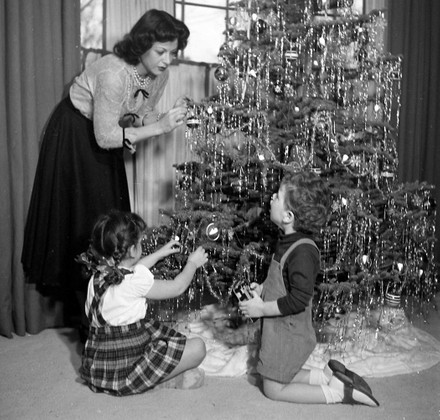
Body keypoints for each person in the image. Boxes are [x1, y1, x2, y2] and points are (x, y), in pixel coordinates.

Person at [21, 10, 190, 331]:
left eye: (173, 52)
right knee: (84, 219)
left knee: (110, 216)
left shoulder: (159, 73)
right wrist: (158, 129)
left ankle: (113, 307)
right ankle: (92, 317)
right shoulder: (114, 73)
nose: (168, 60)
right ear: (141, 45)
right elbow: (105, 136)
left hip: (106, 133)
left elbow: (141, 114)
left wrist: (167, 117)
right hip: (75, 133)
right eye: (160, 51)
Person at [239, 171, 379, 407]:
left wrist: (261, 309)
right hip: (279, 329)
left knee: (272, 388)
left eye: (277, 196)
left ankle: (337, 393)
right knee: (272, 373)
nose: (271, 197)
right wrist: (262, 288)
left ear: (288, 216)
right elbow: (280, 279)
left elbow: (298, 300)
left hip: (289, 331)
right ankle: (325, 376)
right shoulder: (286, 240)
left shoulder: (303, 251)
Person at [76, 210, 208, 395]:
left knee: (163, 337)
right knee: (198, 348)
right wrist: (192, 263)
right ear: (131, 250)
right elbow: (177, 287)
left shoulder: (98, 276)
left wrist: (159, 254)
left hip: (102, 367)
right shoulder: (133, 283)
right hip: (129, 368)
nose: (141, 245)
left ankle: (149, 377)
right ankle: (155, 381)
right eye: (140, 243)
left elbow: (131, 269)